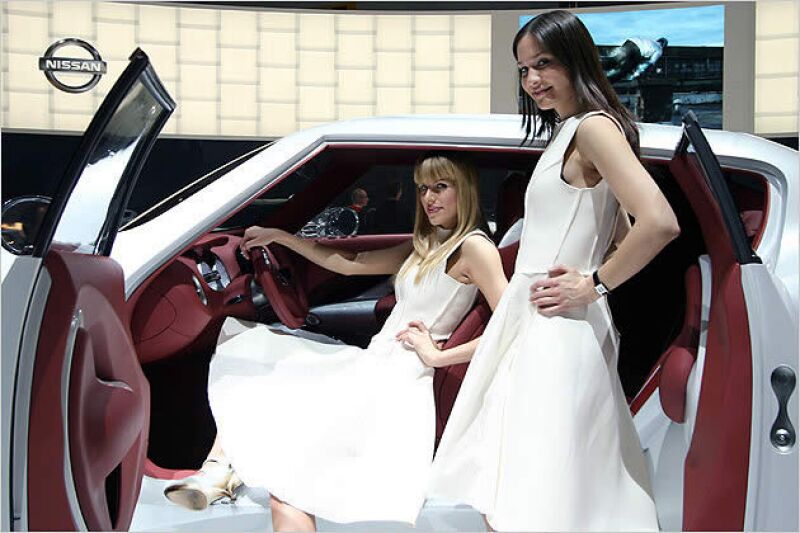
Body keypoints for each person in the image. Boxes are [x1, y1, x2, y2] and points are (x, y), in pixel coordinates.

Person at [428, 10, 679, 531]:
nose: (532, 79)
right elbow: (617, 230)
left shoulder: (592, 128)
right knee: (522, 486)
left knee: (535, 492)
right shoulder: (569, 132)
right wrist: (592, 272)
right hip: (539, 324)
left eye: (543, 63)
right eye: (524, 69)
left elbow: (659, 222)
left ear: (575, 59)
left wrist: (593, 284)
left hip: (556, 331)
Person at [163, 153, 508, 532]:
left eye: (441, 187)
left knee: (289, 474)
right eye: (423, 188)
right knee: (261, 356)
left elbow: (513, 326)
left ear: (466, 190)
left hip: (401, 378)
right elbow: (350, 262)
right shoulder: (427, 243)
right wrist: (282, 238)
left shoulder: (475, 248)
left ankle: (219, 471)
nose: (429, 198)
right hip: (378, 360)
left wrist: (440, 356)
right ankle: (218, 469)